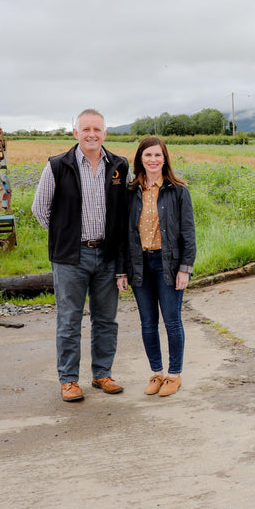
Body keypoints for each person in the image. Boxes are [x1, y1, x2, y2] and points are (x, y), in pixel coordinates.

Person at [32, 109, 129, 402]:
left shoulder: (119, 166)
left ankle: (102, 374)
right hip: (71, 257)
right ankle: (69, 380)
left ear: (105, 134)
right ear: (75, 133)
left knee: (106, 320)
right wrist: (67, 237)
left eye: (97, 129)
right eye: (86, 129)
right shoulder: (58, 166)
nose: (92, 134)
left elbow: (124, 214)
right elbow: (40, 209)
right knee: (69, 319)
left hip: (107, 255)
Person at [117, 136, 195, 397]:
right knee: (148, 323)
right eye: (148, 155)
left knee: (172, 321)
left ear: (165, 159)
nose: (153, 160)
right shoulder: (130, 193)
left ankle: (174, 375)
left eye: (157, 155)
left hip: (168, 264)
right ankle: (157, 373)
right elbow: (122, 235)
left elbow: (188, 234)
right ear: (140, 158)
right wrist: (122, 271)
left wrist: (185, 268)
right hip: (140, 264)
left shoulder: (178, 191)